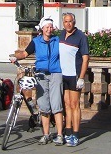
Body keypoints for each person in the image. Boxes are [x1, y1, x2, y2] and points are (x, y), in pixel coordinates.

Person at [13, 17, 65, 146]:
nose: (49, 29)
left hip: (55, 74)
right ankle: (46, 134)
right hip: (41, 75)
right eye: (46, 27)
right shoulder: (36, 42)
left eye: (50, 27)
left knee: (57, 105)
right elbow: (25, 53)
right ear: (42, 28)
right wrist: (14, 57)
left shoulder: (57, 40)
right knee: (44, 106)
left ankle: (59, 135)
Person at [59, 13, 90, 147]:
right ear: (63, 23)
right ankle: (68, 132)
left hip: (74, 75)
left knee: (74, 104)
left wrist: (82, 77)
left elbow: (85, 58)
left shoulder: (81, 36)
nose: (68, 24)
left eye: (70, 21)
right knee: (67, 104)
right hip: (63, 75)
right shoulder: (60, 35)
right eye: (66, 21)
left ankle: (76, 135)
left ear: (74, 22)